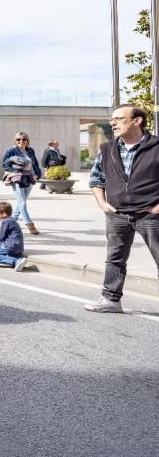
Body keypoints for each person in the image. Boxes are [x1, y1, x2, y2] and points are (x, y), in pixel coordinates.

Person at [84, 105, 159, 313]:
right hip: (117, 213)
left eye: (119, 118)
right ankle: (110, 300)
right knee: (115, 258)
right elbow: (96, 178)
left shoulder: (156, 146)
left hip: (150, 213)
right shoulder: (107, 149)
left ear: (137, 121)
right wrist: (102, 203)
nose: (112, 123)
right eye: (112, 119)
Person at [2, 132, 41, 235]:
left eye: (24, 139)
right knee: (22, 202)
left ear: (27, 141)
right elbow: (4, 164)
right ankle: (29, 224)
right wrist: (15, 172)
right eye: (18, 139)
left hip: (30, 178)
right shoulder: (11, 151)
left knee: (21, 202)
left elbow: (35, 163)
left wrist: (38, 174)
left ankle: (10, 222)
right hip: (18, 178)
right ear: (15, 140)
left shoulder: (30, 150)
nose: (21, 141)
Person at [0, 202, 27, 271]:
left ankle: (16, 261)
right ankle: (10, 258)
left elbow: (0, 236)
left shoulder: (6, 221)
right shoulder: (11, 220)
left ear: (4, 214)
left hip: (11, 247)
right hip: (16, 248)